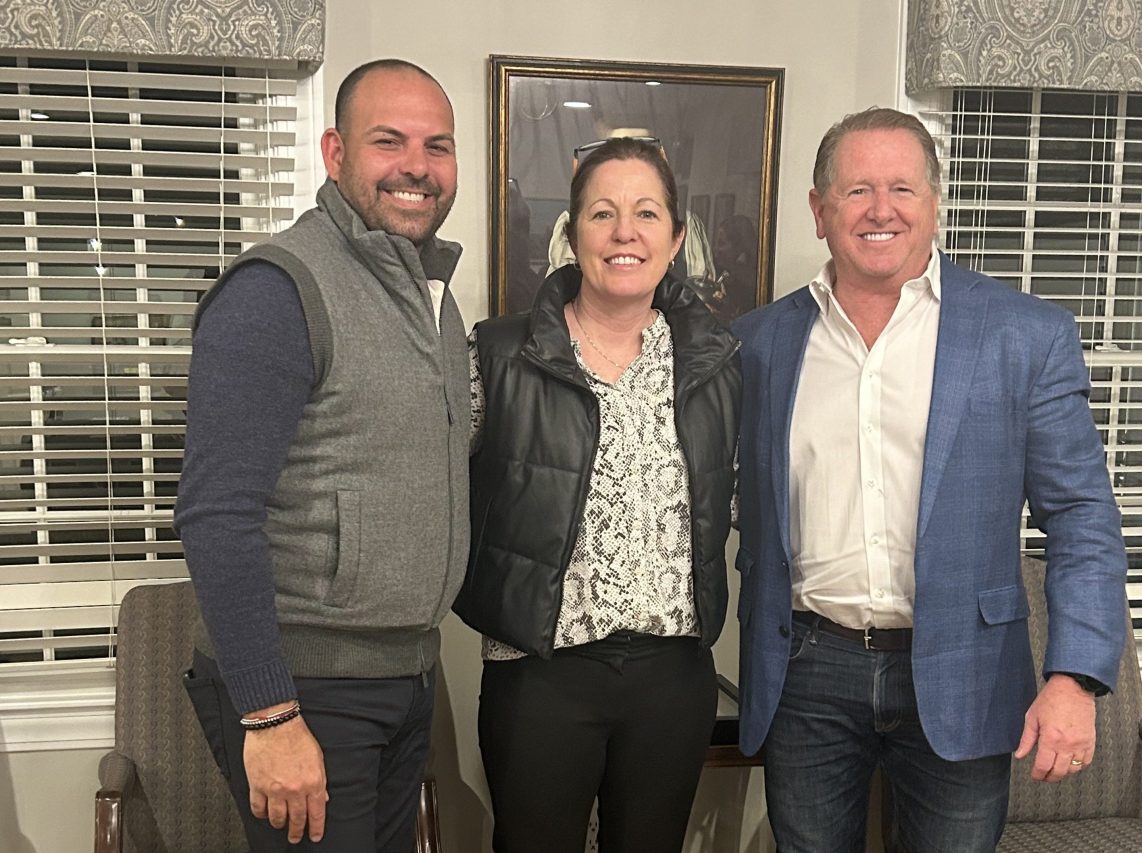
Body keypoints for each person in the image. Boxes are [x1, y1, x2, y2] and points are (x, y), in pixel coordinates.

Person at [732, 107, 1127, 852]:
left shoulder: (1024, 335)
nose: (881, 209)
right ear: (820, 212)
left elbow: (1081, 517)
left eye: (902, 189)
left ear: (935, 204)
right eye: (855, 191)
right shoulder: (757, 343)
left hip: (965, 672)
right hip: (807, 671)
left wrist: (1075, 677)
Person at [174, 58, 468, 852]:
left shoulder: (429, 295)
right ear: (335, 153)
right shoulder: (277, 289)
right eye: (390, 141)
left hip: (403, 676)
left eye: (437, 145)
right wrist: (270, 713)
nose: (418, 165)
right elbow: (214, 511)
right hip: (309, 687)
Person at [455, 136, 740, 853]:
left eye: (646, 214)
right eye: (603, 213)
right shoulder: (498, 354)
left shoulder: (717, 365)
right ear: (572, 233)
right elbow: (427, 488)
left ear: (675, 238)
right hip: (541, 678)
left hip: (671, 679)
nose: (624, 233)